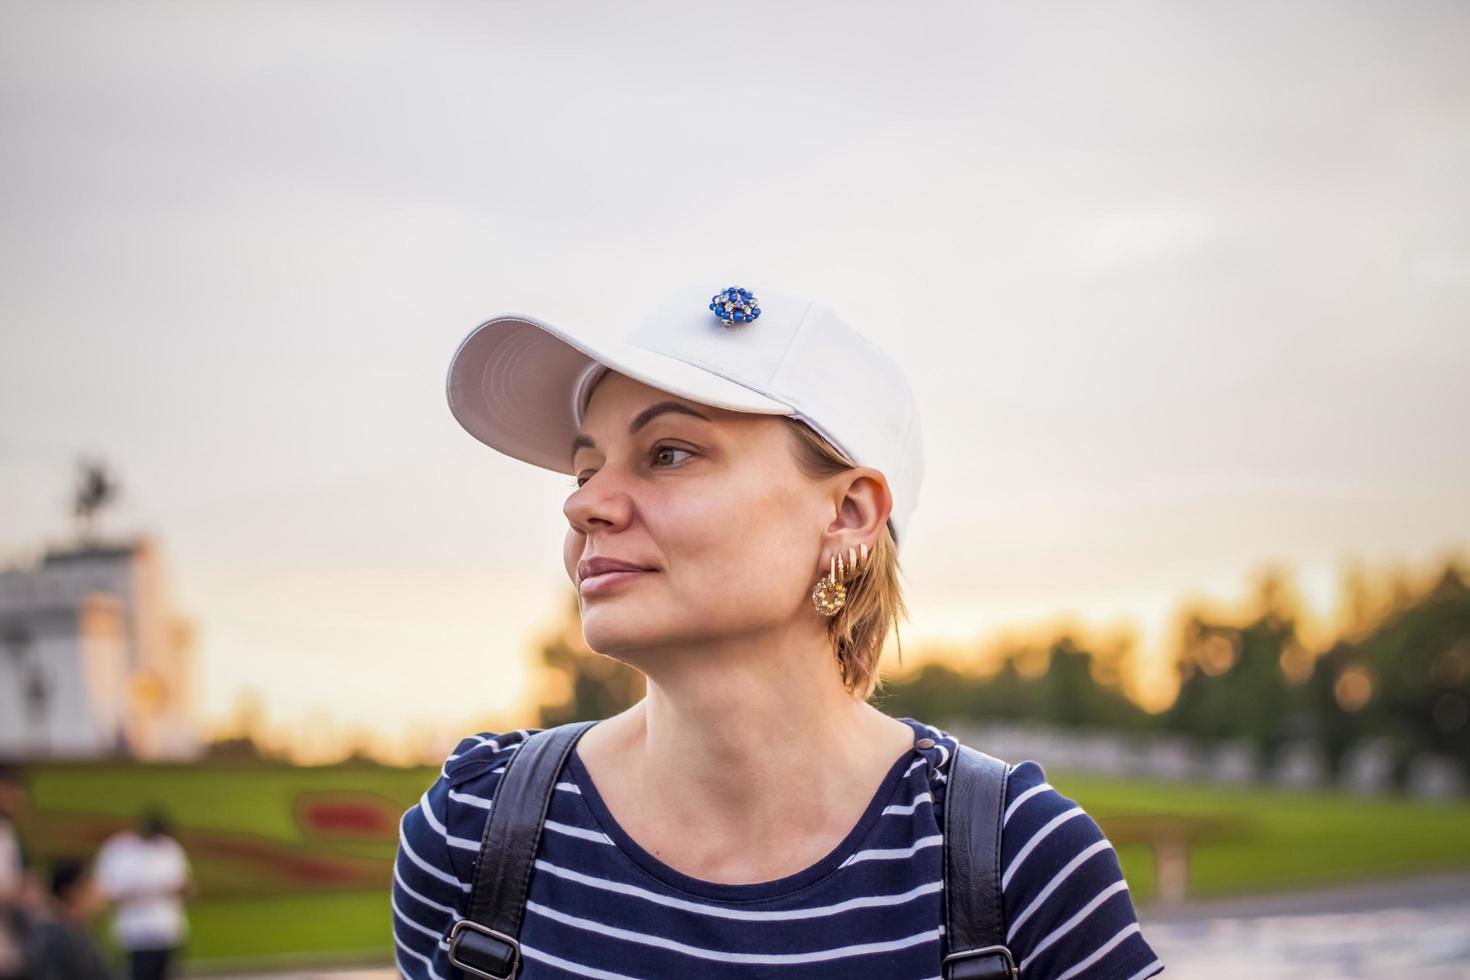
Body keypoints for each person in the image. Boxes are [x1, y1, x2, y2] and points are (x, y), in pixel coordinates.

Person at [393, 284, 1165, 978]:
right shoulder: (475, 836)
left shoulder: (1015, 865)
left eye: (667, 453)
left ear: (850, 513)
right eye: (586, 468)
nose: (583, 505)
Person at [93, 807, 194, 980]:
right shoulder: (119, 849)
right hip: (135, 934)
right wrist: (139, 891)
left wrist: (176, 890)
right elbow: (103, 890)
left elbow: (188, 887)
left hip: (167, 931)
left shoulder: (169, 848)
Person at [22, 857, 121, 980]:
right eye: (91, 884)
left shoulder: (78, 933)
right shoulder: (51, 939)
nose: (99, 892)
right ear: (72, 892)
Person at [0, 762, 43, 980]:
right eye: (10, 794)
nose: (16, 802)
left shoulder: (9, 834)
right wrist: (17, 890)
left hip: (12, 945)